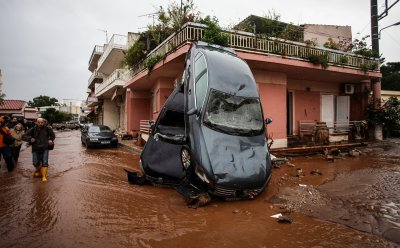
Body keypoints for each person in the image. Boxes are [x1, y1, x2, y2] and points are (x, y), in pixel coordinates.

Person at [24, 118, 55, 182]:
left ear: (44, 122)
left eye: (42, 122)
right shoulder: (33, 129)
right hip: (35, 148)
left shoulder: (48, 128)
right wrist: (30, 139)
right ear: (36, 123)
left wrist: (50, 139)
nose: (40, 124)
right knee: (35, 162)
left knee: (45, 162)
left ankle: (44, 176)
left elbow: (53, 135)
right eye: (39, 122)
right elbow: (24, 136)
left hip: (45, 148)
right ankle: (38, 169)